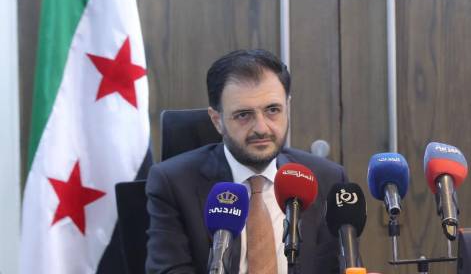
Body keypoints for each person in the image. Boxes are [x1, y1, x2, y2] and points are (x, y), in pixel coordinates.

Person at [146, 49, 345, 274]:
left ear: (287, 108)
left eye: (273, 110)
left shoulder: (327, 179)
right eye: (243, 115)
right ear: (217, 120)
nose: (261, 128)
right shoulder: (173, 184)